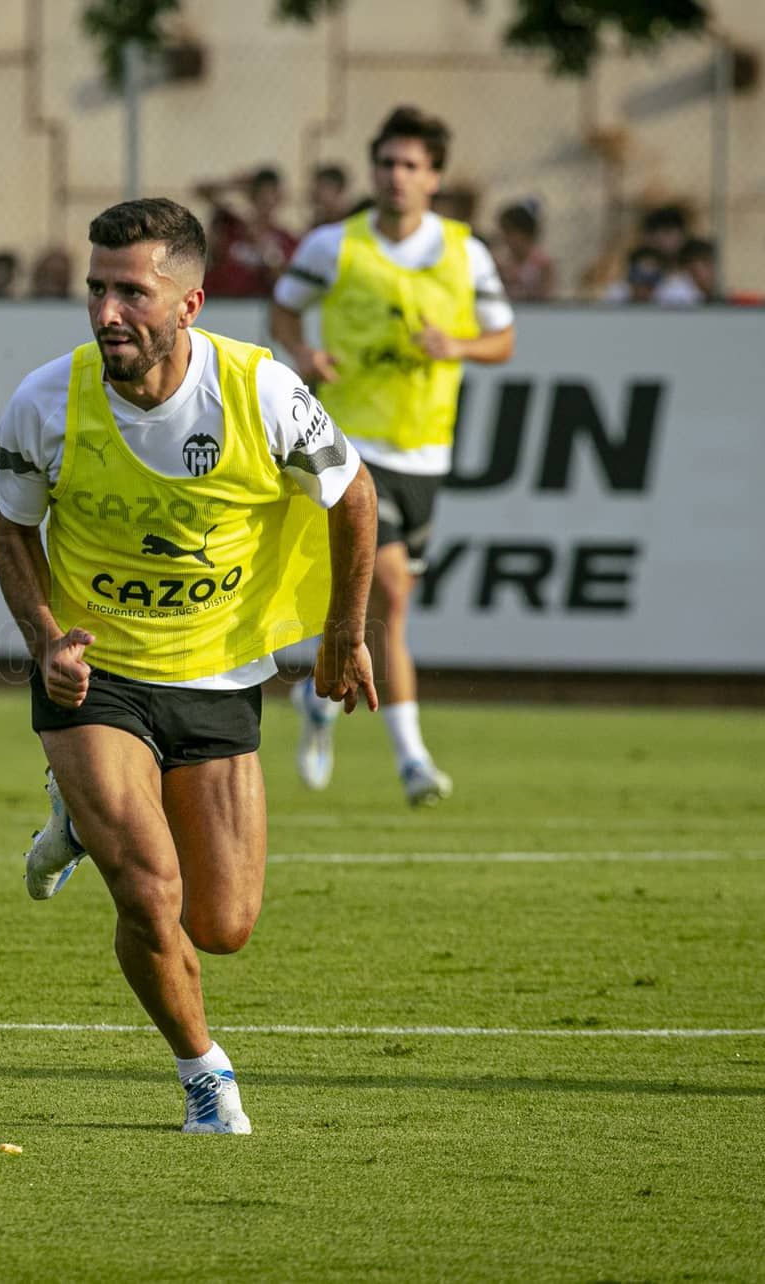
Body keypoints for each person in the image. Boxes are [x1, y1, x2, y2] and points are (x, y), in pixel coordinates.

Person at [0, 196, 376, 1134]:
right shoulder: (46, 399)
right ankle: (204, 1074)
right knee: (149, 889)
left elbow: (355, 496)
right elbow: (11, 529)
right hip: (97, 677)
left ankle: (75, 821)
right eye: (97, 289)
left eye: (132, 293)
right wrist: (46, 641)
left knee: (223, 924)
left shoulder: (261, 391)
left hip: (218, 675)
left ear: (190, 303)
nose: (107, 312)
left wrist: (343, 631)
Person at [268, 105, 516, 804]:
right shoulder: (332, 246)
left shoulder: (466, 252)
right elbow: (283, 308)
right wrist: (303, 350)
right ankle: (413, 761)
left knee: (387, 608)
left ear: (434, 178)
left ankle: (318, 700)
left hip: (426, 454)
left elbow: (503, 339)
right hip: (349, 445)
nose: (395, 176)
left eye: (410, 165)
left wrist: (457, 345)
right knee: (395, 593)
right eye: (385, 163)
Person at [198, 166, 298, 297]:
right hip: (219, 301)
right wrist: (234, 185)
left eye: (271, 197)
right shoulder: (233, 225)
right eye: (261, 196)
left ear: (279, 199)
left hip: (255, 304)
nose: (266, 203)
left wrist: (266, 250)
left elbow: (284, 282)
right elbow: (202, 191)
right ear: (252, 197)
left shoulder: (286, 239)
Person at [493, 199, 553, 302]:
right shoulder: (502, 262)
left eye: (509, 232)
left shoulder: (542, 264)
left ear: (525, 233)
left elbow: (546, 296)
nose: (505, 238)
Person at [655, 238, 718, 305]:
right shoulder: (677, 292)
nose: (712, 271)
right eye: (706, 264)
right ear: (689, 266)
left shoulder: (696, 291)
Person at [309, 163, 351, 229]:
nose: (317, 197)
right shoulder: (319, 225)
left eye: (322, 188)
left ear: (338, 190)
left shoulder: (353, 219)